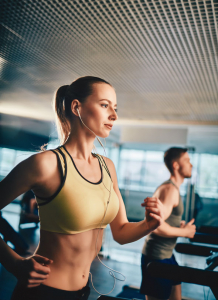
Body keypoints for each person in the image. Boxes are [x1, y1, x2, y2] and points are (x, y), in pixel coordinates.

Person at [0, 76, 164, 300]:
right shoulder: (46, 164)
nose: (114, 115)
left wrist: (149, 224)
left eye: (115, 108)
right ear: (77, 107)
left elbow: (121, 232)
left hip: (82, 293)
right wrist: (15, 264)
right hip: (42, 292)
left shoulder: (108, 167)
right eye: (105, 105)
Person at [140, 147, 196, 300]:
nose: (191, 165)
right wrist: (185, 232)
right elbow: (155, 226)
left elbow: (164, 219)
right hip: (157, 256)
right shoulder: (170, 189)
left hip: (168, 255)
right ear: (176, 165)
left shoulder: (173, 188)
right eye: (187, 161)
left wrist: (179, 226)